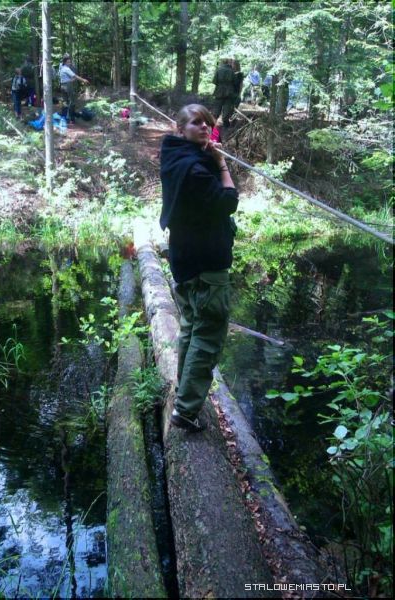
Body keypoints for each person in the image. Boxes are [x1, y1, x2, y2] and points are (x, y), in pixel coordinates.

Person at [160, 104, 239, 432]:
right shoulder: (196, 169)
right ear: (180, 129)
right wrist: (221, 163)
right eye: (196, 123)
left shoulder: (174, 156)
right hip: (206, 262)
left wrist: (209, 155)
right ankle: (186, 410)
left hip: (184, 259)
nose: (204, 127)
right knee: (207, 335)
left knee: (192, 327)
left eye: (207, 122)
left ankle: (184, 395)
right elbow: (228, 201)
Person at [59, 56, 89, 123]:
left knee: (65, 102)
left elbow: (66, 79)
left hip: (62, 85)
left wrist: (72, 80)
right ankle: (72, 119)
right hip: (68, 86)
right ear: (64, 62)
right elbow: (75, 76)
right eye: (68, 62)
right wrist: (83, 80)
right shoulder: (66, 69)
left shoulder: (62, 68)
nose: (69, 63)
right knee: (72, 102)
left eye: (70, 62)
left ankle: (64, 117)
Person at [212, 58, 236, 128]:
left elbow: (214, 81)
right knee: (227, 107)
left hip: (219, 91)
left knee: (217, 107)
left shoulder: (219, 70)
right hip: (229, 92)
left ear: (223, 63)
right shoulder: (232, 71)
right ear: (228, 63)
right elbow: (235, 82)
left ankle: (213, 124)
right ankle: (226, 125)